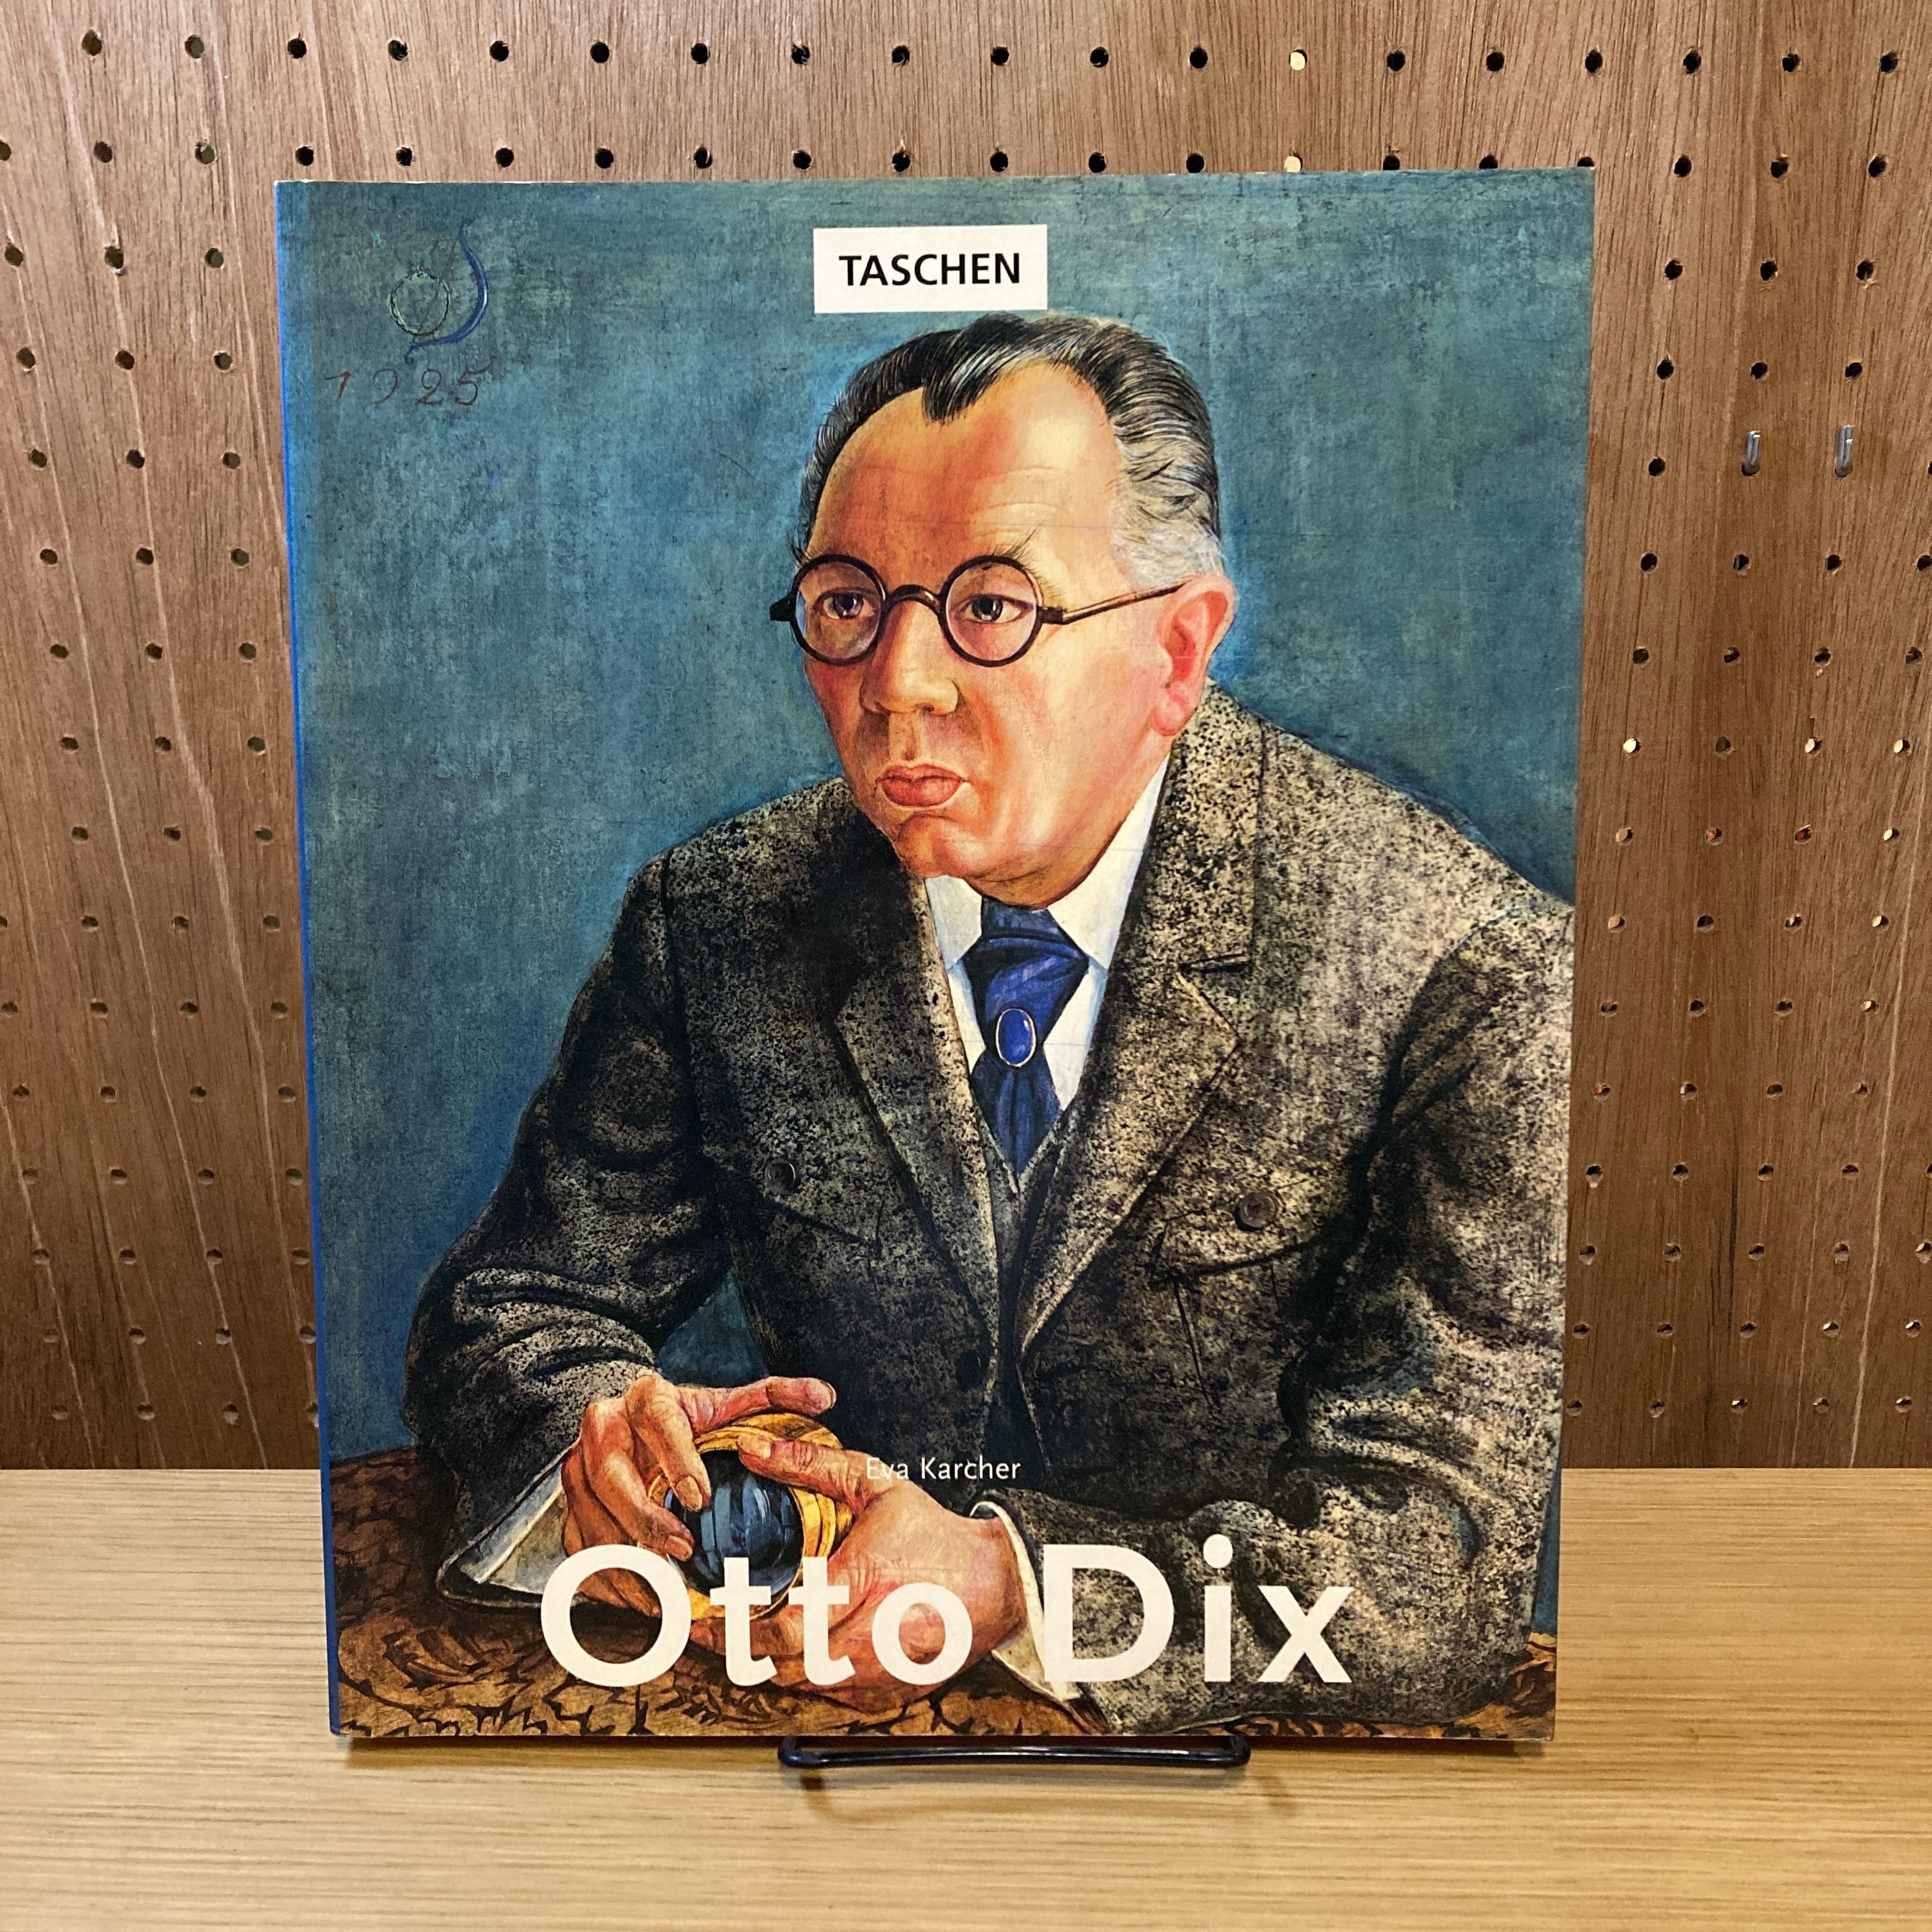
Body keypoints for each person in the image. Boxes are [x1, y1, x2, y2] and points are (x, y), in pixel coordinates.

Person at [401, 313, 1570, 1733]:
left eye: (993, 606)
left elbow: (1437, 1563)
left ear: (1178, 650)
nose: (897, 683)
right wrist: (599, 1433)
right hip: (805, 1726)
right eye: (847, 602)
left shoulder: (1471, 966)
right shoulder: (714, 916)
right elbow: (512, 1313)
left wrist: (1017, 1585)